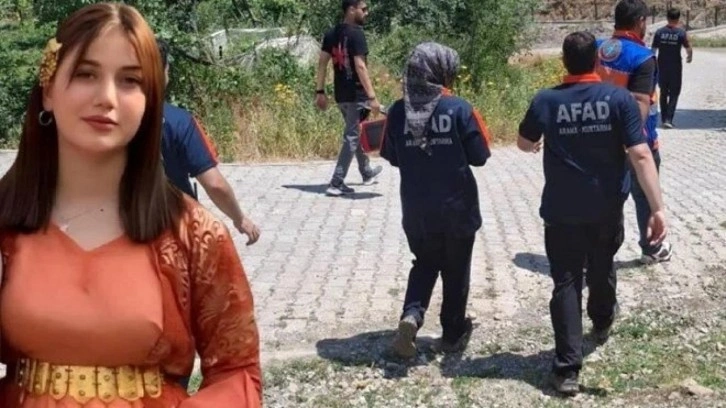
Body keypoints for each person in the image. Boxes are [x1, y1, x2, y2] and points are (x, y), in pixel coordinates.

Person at [0, 3, 261, 407]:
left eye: (130, 81)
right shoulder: (6, 220)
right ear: (49, 89)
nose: (106, 98)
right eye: (86, 74)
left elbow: (238, 372)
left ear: (149, 101)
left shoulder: (194, 233)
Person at [518, 31, 667, 395]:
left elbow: (523, 142)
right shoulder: (618, 99)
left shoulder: (546, 99)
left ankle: (567, 369)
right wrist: (657, 208)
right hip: (606, 206)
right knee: (601, 264)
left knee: (566, 281)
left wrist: (539, 141)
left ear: (563, 62)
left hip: (561, 209)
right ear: (597, 62)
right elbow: (641, 153)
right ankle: (601, 319)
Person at [380, 42, 492, 358]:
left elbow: (392, 156)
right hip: (457, 208)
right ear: (441, 71)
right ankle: (452, 334)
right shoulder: (460, 109)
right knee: (456, 270)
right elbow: (480, 156)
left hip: (417, 210)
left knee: (425, 263)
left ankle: (411, 315)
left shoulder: (397, 111)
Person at [156, 38, 260, 245]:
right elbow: (214, 184)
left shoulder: (110, 119)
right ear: (164, 71)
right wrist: (239, 219)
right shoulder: (179, 122)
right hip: (174, 229)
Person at [596, 0, 673, 264]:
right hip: (636, 140)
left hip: (599, 137)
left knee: (606, 198)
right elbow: (640, 101)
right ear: (640, 21)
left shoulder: (597, 48)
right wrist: (630, 142)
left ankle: (597, 252)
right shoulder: (643, 57)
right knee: (645, 196)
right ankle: (651, 248)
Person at [315, 0, 383, 196]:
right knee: (352, 136)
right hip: (355, 95)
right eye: (364, 9)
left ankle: (366, 172)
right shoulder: (356, 34)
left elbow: (322, 63)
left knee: (355, 131)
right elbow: (360, 66)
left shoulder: (331, 33)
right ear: (351, 10)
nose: (366, 13)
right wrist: (372, 97)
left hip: (341, 94)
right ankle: (336, 183)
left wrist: (320, 91)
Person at [652, 7, 693, 128]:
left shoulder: (659, 32)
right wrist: (689, 57)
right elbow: (688, 47)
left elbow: (653, 50)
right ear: (678, 18)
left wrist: (652, 63)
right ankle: (668, 120)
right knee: (674, 92)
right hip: (675, 66)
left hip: (662, 65)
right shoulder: (681, 32)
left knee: (663, 92)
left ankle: (664, 118)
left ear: (667, 18)